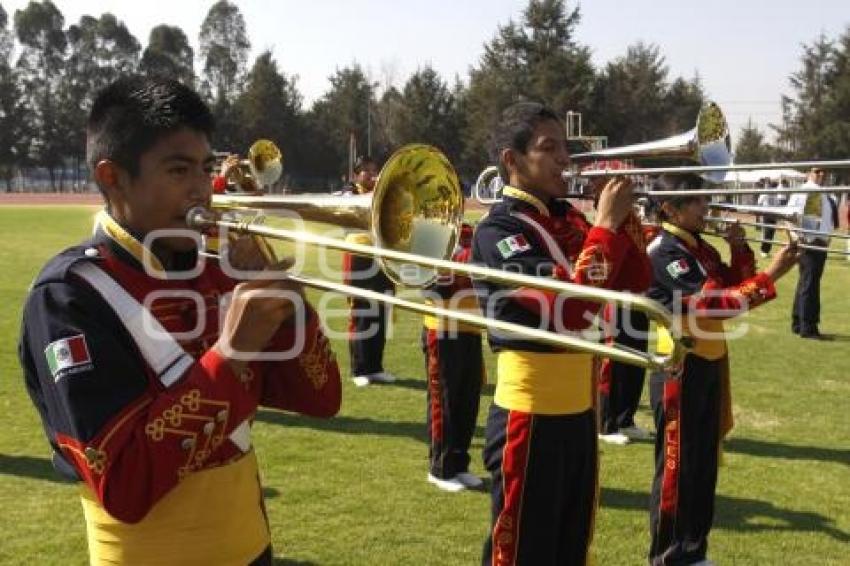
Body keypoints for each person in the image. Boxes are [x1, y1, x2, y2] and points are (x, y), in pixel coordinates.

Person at [18, 76, 341, 565]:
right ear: (113, 177)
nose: (201, 191)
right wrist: (230, 353)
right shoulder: (68, 296)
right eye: (178, 170)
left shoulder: (213, 266)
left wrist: (291, 312)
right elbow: (124, 484)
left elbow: (321, 398)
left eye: (205, 169)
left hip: (254, 549)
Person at [473, 101, 648, 565]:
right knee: (522, 550)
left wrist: (621, 220)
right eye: (549, 149)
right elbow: (567, 312)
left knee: (572, 545)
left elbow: (635, 281)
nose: (564, 161)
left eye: (564, 149)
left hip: (579, 413)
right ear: (512, 161)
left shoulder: (570, 219)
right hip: (527, 416)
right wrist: (606, 225)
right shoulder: (499, 231)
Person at [645, 173, 799, 566]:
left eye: (705, 199)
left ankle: (694, 550)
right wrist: (773, 274)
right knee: (678, 468)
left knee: (703, 463)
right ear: (670, 209)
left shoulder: (699, 247)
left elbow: (736, 282)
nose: (705, 207)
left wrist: (739, 246)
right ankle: (667, 555)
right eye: (696, 201)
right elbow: (713, 304)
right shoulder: (664, 251)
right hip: (680, 366)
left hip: (709, 361)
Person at [421, 222, 485, 492]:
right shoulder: (430, 235)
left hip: (470, 324)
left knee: (467, 399)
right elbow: (432, 284)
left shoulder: (471, 232)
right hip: (442, 327)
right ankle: (441, 468)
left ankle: (459, 462)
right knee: (444, 399)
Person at [341, 155, 397, 386]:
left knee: (381, 311)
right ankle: (359, 368)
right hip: (358, 256)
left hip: (381, 255)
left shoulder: (381, 193)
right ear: (355, 175)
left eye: (374, 169)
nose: (371, 174)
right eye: (365, 170)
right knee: (362, 312)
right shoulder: (348, 194)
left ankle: (375, 366)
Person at [787, 168, 839, 338]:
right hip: (811, 242)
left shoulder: (822, 194)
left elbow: (826, 220)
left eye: (823, 172)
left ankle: (798, 322)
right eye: (817, 171)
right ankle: (808, 327)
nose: (821, 175)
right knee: (810, 284)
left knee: (805, 283)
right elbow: (793, 218)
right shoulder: (808, 191)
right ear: (808, 173)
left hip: (816, 242)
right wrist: (801, 239)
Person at [756, 179, 786, 257]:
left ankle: (766, 251)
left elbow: (777, 205)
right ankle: (763, 251)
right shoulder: (765, 194)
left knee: (771, 234)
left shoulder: (775, 195)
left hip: (774, 215)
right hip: (766, 215)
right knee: (767, 233)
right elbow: (759, 203)